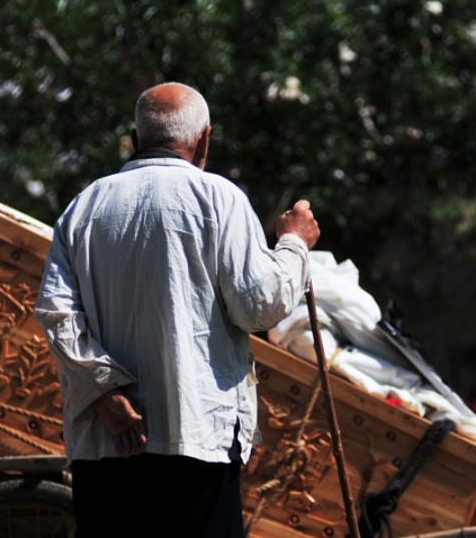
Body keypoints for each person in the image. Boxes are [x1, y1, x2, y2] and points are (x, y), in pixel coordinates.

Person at [35, 82, 320, 537]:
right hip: (196, 439)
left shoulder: (83, 207)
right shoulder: (219, 199)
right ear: (205, 139)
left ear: (135, 135)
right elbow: (259, 307)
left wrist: (104, 392)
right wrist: (294, 245)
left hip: (106, 446)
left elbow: (55, 313)